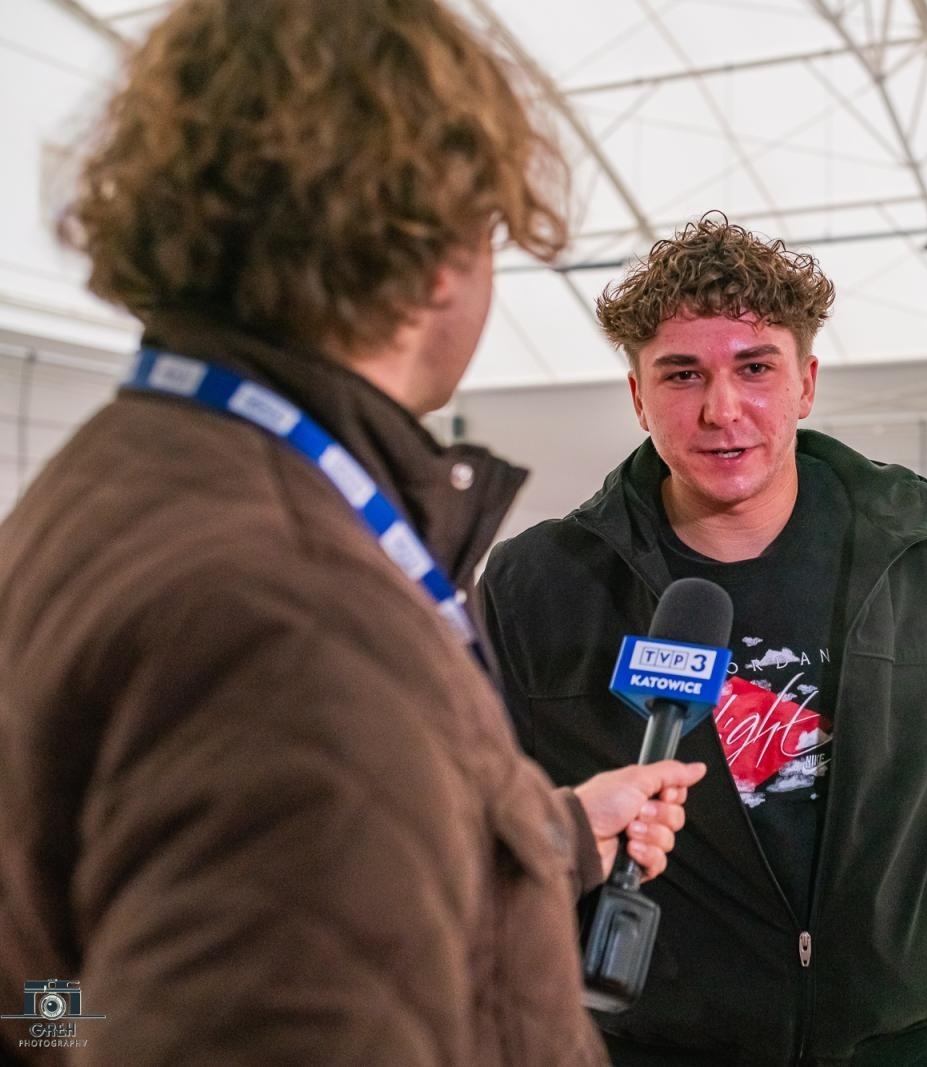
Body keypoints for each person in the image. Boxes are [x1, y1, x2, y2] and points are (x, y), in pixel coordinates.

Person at [0, 2, 705, 1064]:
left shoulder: (116, 483)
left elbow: (68, 982)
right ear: (432, 254)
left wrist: (554, 831)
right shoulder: (295, 613)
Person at [481, 213, 927, 1066]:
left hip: (896, 1047)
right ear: (637, 396)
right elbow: (465, 814)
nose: (722, 409)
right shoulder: (538, 587)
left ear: (804, 383)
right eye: (682, 373)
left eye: (755, 368)